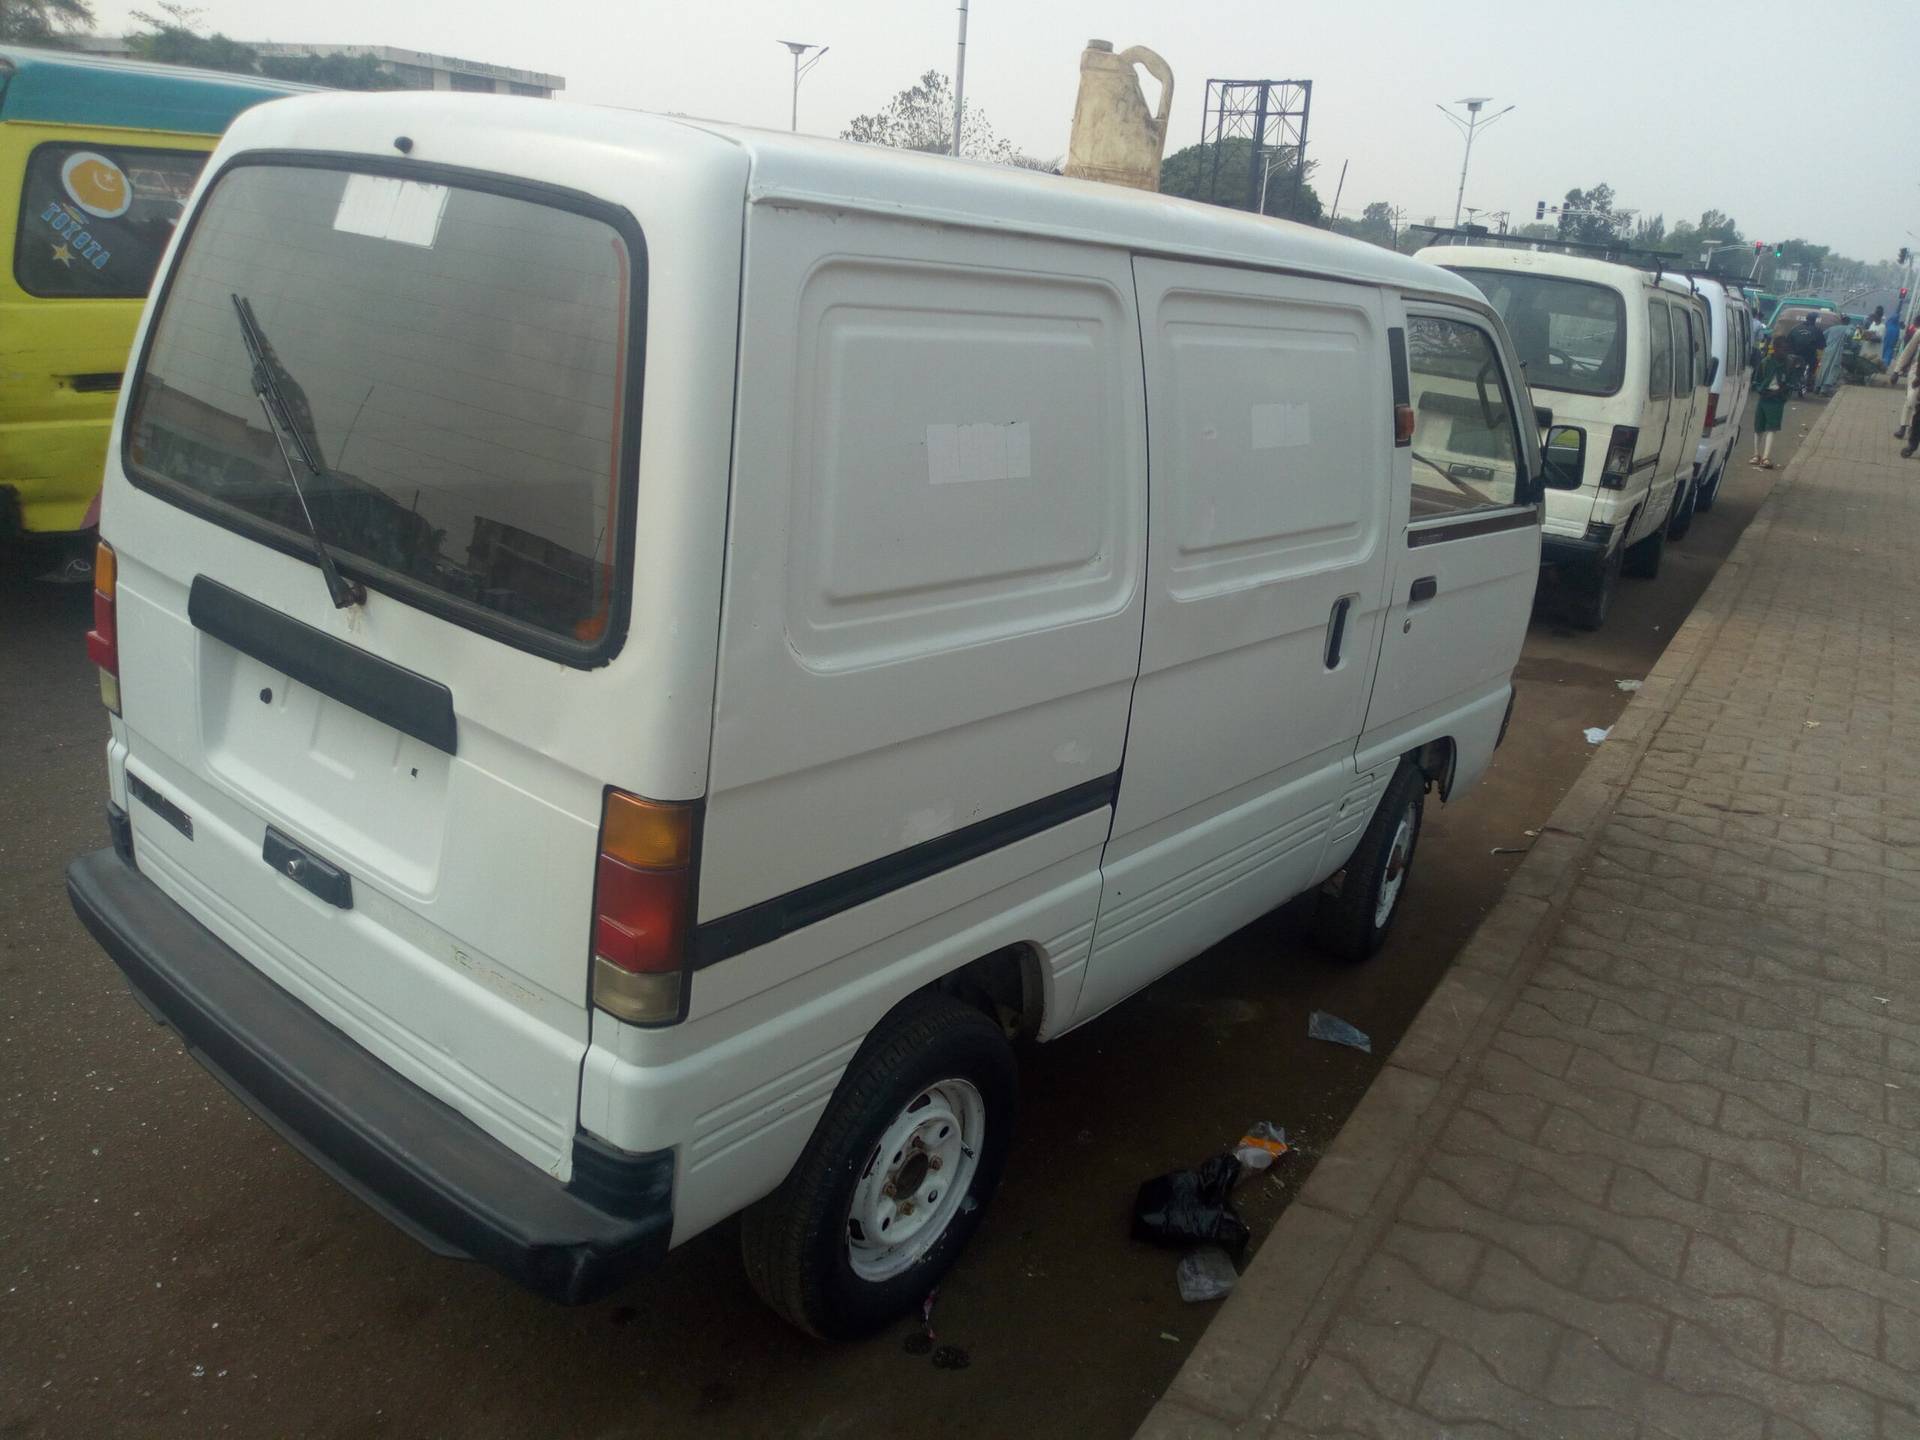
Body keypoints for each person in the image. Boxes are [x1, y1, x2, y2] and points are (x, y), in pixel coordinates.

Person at [1751, 338, 1792, 468]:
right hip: (1764, 397)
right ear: (1775, 348)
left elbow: (1791, 382)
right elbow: (1757, 381)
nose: (1784, 352)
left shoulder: (1788, 364)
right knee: (1758, 427)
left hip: (1777, 400)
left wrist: (1780, 392)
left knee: (1772, 428)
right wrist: (1761, 391)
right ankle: (1756, 454)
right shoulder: (1765, 362)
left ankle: (1766, 457)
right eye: (1782, 349)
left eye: (1786, 349)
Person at [1891, 324, 1920, 458]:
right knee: (1911, 402)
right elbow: (1908, 351)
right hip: (1917, 375)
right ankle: (1906, 430)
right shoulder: (1919, 333)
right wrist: (1897, 370)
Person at [1785, 311, 1823, 394]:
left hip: (1794, 354)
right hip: (1809, 356)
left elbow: (1788, 341)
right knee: (1814, 365)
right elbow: (1822, 344)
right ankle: (1810, 383)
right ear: (1815, 320)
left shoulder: (1795, 328)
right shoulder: (1817, 330)